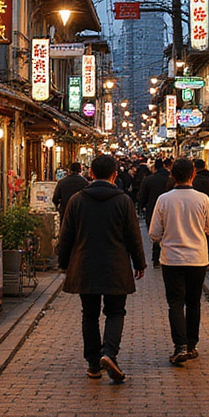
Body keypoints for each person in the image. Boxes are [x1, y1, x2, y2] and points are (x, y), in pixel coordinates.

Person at [57, 153, 146, 382]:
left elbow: (66, 236)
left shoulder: (77, 200)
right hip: (116, 266)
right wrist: (139, 263)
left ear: (91, 173)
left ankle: (93, 364)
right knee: (115, 312)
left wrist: (63, 263)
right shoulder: (123, 201)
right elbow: (133, 236)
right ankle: (109, 353)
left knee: (89, 314)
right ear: (115, 175)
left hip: (85, 265)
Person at [148, 157, 209, 365]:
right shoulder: (203, 199)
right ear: (193, 174)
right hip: (197, 259)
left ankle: (179, 346)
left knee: (175, 303)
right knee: (193, 302)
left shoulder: (164, 200)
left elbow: (153, 233)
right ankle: (191, 345)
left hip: (171, 259)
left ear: (172, 175)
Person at [138, 157, 172, 264]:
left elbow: (142, 196)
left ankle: (156, 256)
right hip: (169, 209)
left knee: (156, 232)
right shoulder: (171, 179)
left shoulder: (149, 179)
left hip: (152, 208)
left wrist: (141, 207)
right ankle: (166, 255)